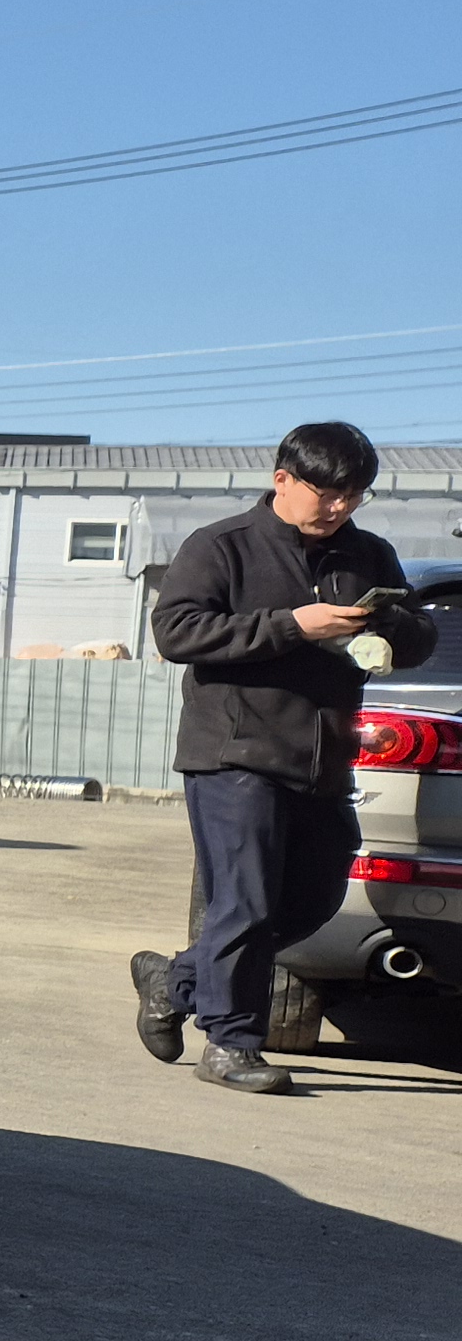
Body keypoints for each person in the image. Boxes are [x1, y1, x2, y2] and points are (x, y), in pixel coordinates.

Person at [131, 422, 437, 1091]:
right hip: (234, 752)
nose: (338, 508)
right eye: (326, 493)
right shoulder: (222, 545)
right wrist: (295, 624)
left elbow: (419, 634)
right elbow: (176, 630)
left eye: (353, 496)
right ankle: (231, 1045)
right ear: (283, 480)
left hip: (323, 757)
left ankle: (173, 978)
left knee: (314, 900)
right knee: (244, 903)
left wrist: (387, 624)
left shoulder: (369, 554)